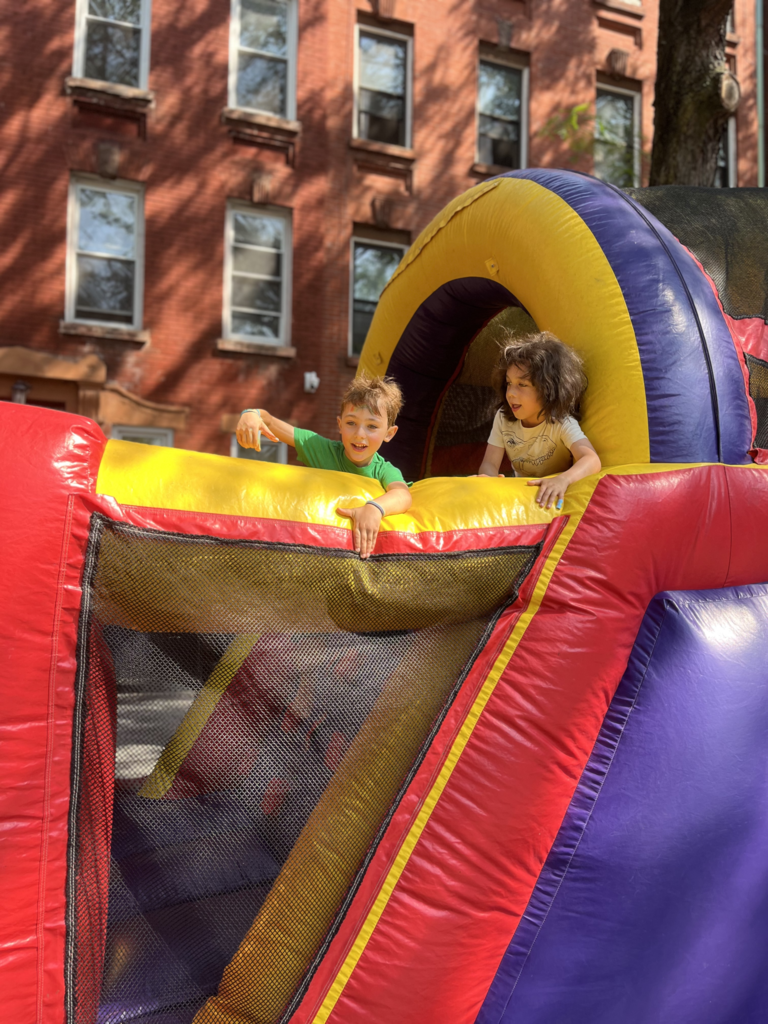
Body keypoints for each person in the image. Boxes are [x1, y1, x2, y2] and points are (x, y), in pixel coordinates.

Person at [236, 374, 411, 559]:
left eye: (372, 426)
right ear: (340, 425)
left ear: (389, 433)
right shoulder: (324, 451)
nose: (360, 434)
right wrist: (251, 414)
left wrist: (374, 508)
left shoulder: (384, 470)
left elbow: (402, 494)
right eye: (351, 423)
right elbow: (270, 422)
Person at [477, 331, 601, 509]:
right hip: (523, 493)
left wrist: (563, 480)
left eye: (522, 384)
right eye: (509, 383)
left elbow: (591, 459)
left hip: (552, 495)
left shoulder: (560, 423)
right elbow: (489, 463)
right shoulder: (504, 418)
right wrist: (489, 479)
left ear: (547, 390)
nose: (511, 393)